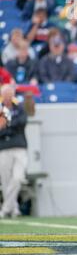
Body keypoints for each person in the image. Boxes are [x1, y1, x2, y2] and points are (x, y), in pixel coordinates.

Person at [0, 85, 28, 218]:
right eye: (5, 95)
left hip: (19, 147)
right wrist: (9, 126)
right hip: (4, 148)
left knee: (17, 178)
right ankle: (14, 208)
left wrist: (7, 125)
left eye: (9, 95)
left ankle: (5, 208)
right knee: (5, 179)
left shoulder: (19, 107)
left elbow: (22, 122)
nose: (7, 98)